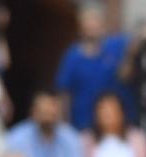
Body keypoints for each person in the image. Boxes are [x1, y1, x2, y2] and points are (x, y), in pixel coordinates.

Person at [55, 2, 128, 130]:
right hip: (82, 125)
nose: (91, 25)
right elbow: (64, 94)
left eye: (95, 20)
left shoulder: (117, 46)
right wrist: (64, 124)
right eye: (87, 21)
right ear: (80, 25)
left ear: (103, 23)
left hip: (113, 126)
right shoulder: (72, 57)